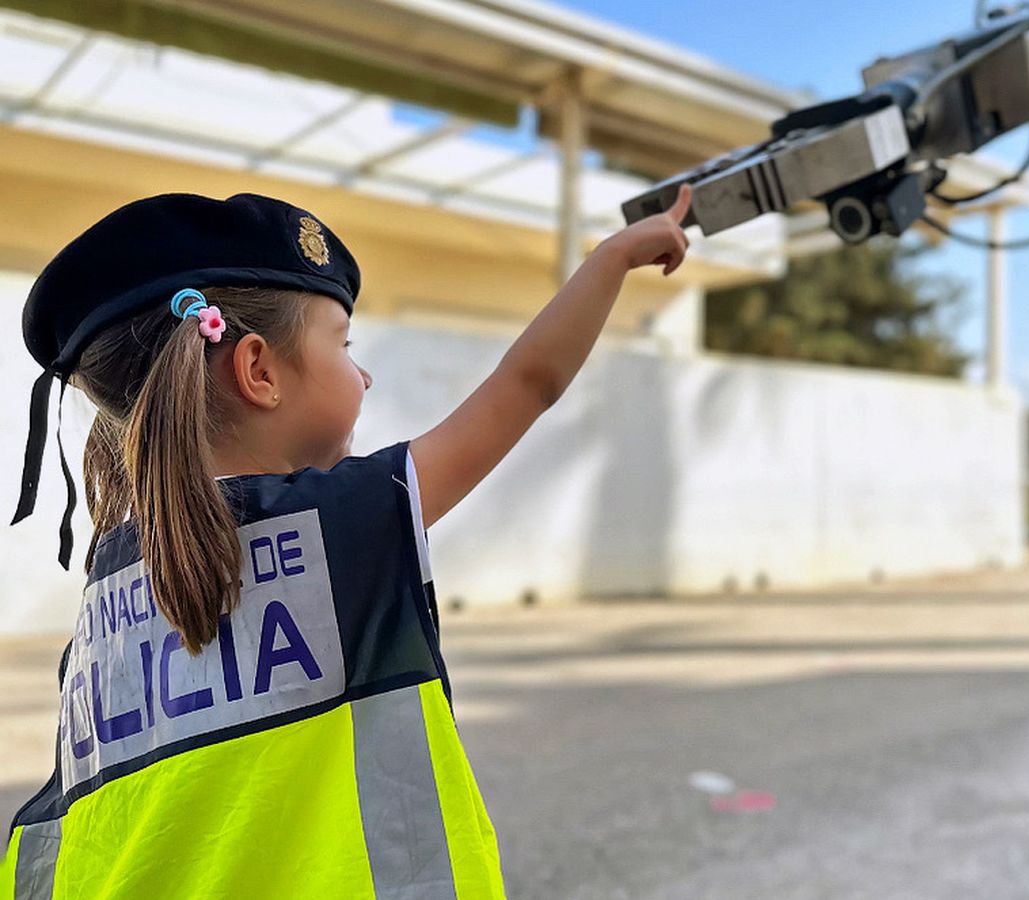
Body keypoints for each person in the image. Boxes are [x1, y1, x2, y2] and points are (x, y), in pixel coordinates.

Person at [2, 185, 693, 898]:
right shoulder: (345, 521)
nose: (363, 374)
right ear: (259, 371)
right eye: (343, 344)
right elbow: (531, 382)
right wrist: (614, 258)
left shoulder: (101, 605)